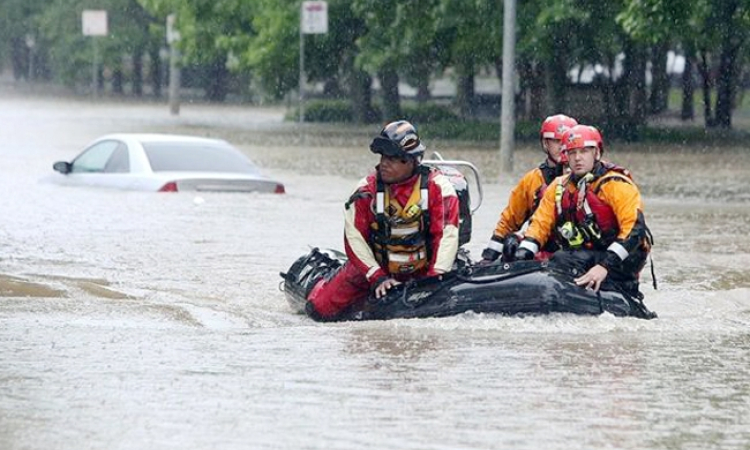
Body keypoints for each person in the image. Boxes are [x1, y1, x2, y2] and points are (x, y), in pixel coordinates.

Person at [305, 120, 461, 320]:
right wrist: (377, 276)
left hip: (424, 268)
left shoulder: (439, 188)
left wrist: (433, 281)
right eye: (383, 157)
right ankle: (322, 281)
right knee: (319, 310)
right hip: (374, 268)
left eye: (392, 158)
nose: (383, 163)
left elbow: (447, 235)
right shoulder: (365, 191)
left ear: (411, 160)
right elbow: (354, 238)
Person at [514, 124, 653, 295]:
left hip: (623, 258)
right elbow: (539, 225)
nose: (577, 158)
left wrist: (604, 266)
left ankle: (613, 289)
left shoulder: (615, 184)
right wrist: (523, 254)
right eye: (572, 153)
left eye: (584, 151)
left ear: (596, 153)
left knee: (564, 259)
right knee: (536, 253)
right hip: (584, 252)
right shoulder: (559, 186)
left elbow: (635, 230)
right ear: (565, 156)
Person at [480, 114, 578, 263]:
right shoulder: (533, 180)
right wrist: (488, 258)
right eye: (557, 141)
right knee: (511, 245)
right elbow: (509, 221)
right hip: (541, 246)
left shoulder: (588, 179)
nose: (562, 146)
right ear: (545, 144)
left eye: (567, 141)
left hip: (576, 249)